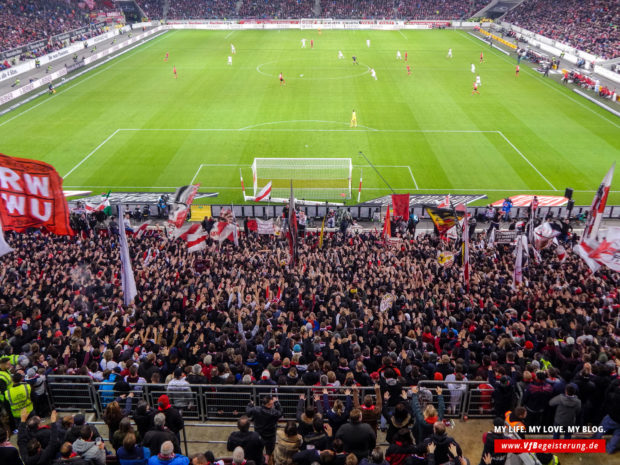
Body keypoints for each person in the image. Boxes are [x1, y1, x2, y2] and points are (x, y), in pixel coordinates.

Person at [246, 395, 282, 460]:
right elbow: (280, 413)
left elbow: (248, 412)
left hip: (259, 434)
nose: (273, 404)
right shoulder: (274, 412)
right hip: (270, 435)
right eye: (272, 403)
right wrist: (277, 402)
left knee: (259, 450)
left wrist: (250, 404)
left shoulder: (256, 409)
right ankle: (267, 461)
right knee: (269, 452)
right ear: (269, 404)